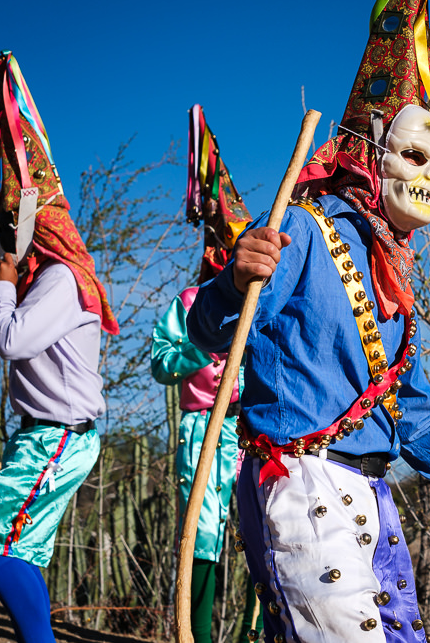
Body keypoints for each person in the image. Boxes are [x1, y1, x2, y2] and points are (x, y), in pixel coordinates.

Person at [185, 0, 430, 641]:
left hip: (375, 496)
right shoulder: (301, 227)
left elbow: (407, 409)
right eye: (414, 158)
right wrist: (231, 282)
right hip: (299, 486)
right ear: (372, 150)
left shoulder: (395, 279)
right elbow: (209, 330)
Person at [0, 52, 118, 643]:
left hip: (60, 436)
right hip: (42, 434)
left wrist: (3, 284)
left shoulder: (62, 281)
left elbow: (8, 337)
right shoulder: (33, 278)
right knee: (17, 552)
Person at [150, 105, 262, 643]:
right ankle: (194, 634)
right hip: (202, 432)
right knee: (202, 539)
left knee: (263, 535)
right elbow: (161, 361)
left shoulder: (263, 302)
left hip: (254, 432)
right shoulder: (189, 301)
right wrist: (203, 351)